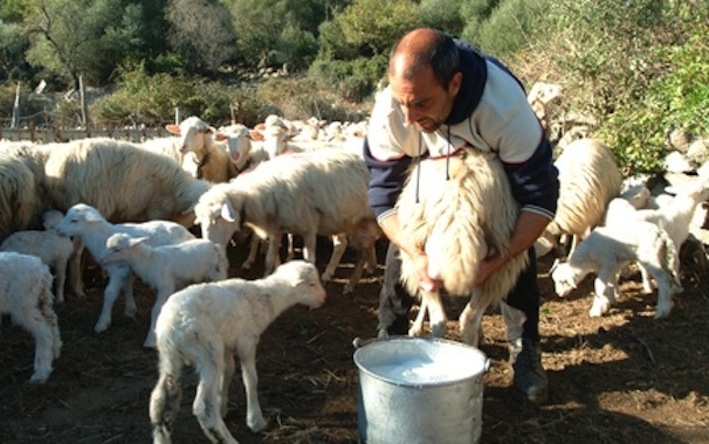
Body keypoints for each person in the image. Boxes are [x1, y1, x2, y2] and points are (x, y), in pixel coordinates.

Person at [362, 28, 560, 404]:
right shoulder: (393, 112)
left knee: (512, 240)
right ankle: (390, 339)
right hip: (423, 172)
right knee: (407, 238)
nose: (408, 117)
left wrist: (496, 260)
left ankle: (525, 349)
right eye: (402, 102)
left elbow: (539, 200)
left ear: (455, 84)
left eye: (421, 103)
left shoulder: (503, 108)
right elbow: (384, 197)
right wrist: (416, 253)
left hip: (494, 170)